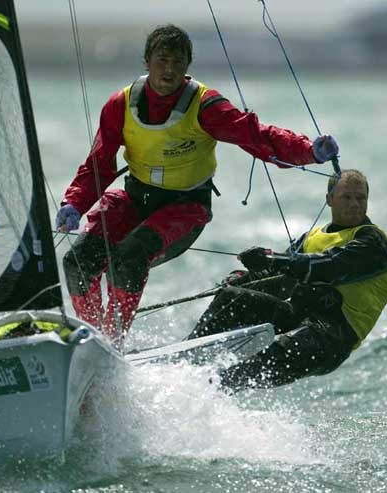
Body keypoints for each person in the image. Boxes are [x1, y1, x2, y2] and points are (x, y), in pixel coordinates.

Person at [57, 24, 339, 342]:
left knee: (128, 259)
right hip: (135, 201)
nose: (170, 69)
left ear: (187, 66)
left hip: (185, 209)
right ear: (147, 61)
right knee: (77, 261)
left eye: (179, 62)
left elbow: (256, 136)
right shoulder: (120, 105)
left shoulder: (205, 105)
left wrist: (309, 151)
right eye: (162, 60)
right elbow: (99, 163)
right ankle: (93, 336)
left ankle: (110, 342)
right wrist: (74, 203)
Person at [187, 169, 387, 392]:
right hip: (294, 316)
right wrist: (241, 279)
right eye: (347, 197)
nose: (355, 204)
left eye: (361, 197)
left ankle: (205, 390)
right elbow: (280, 279)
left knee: (256, 363)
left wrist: (271, 258)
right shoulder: (311, 238)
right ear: (329, 199)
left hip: (330, 337)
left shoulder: (373, 241)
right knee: (232, 297)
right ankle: (186, 356)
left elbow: (328, 266)